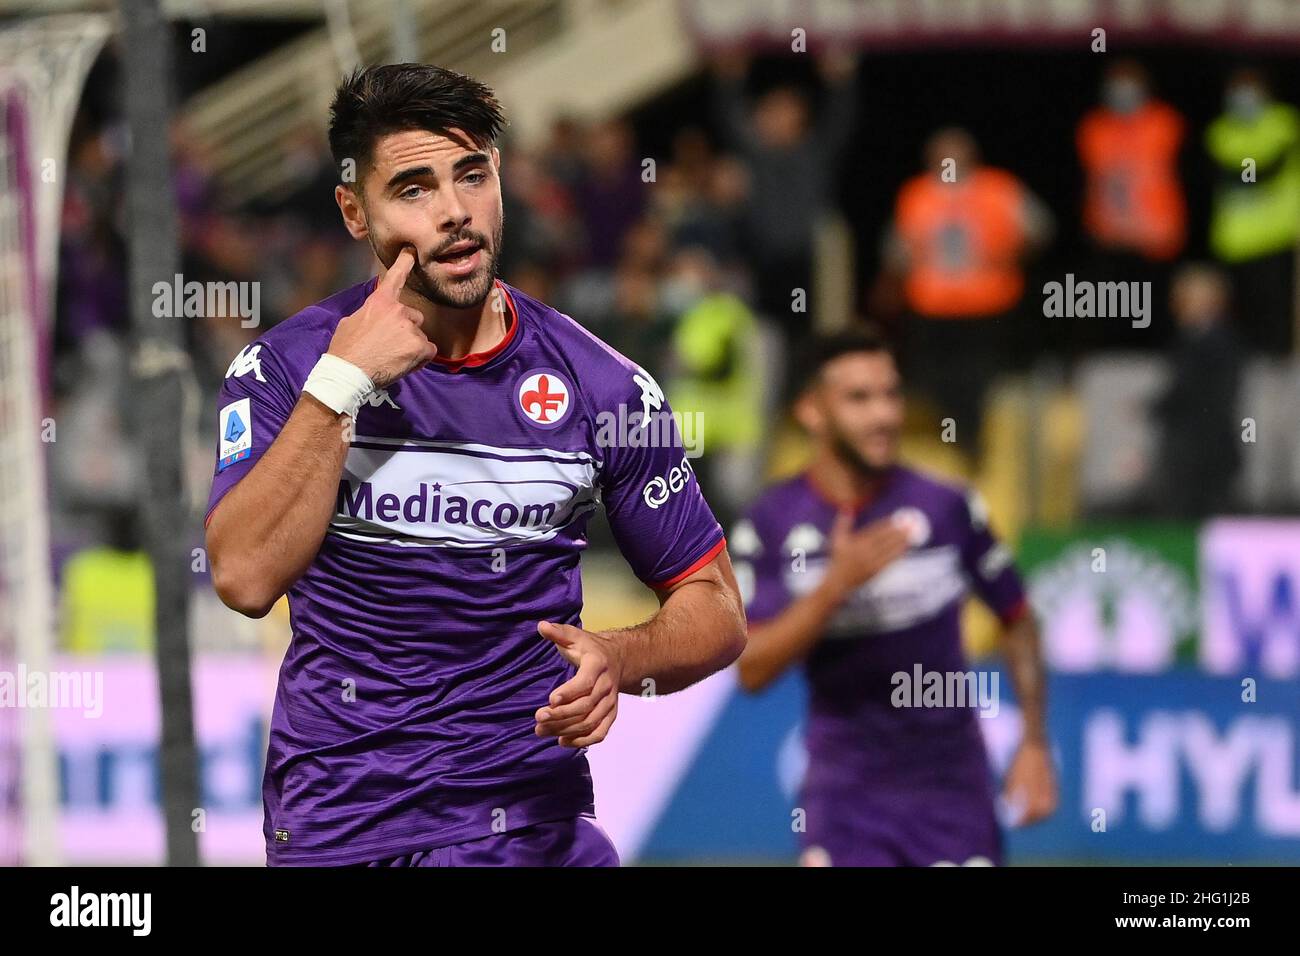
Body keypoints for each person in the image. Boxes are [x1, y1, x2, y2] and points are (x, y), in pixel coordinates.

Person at [203, 63, 746, 867]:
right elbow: (244, 578)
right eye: (414, 188)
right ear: (356, 211)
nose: (455, 212)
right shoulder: (288, 369)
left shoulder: (601, 384)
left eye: (473, 174)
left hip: (527, 825)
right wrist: (342, 385)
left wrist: (619, 657)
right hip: (341, 826)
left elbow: (718, 610)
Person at [732, 329, 1056, 866]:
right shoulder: (770, 522)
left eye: (891, 394)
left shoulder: (948, 506)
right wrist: (837, 586)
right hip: (845, 798)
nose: (884, 415)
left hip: (953, 795)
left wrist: (1036, 743)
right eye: (859, 399)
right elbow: (752, 670)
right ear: (812, 411)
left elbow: (1017, 618)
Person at [884, 128, 1052, 450]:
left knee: (978, 380)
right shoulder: (917, 194)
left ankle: (974, 445)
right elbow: (897, 249)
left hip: (986, 304)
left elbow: (1039, 229)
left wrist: (1012, 253)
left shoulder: (998, 188)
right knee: (933, 380)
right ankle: (946, 442)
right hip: (932, 306)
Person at [1149, 264, 1243, 517]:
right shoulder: (1188, 340)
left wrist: (1154, 407)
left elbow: (1193, 392)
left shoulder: (1218, 342)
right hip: (1193, 450)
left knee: (1200, 520)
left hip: (1204, 451)